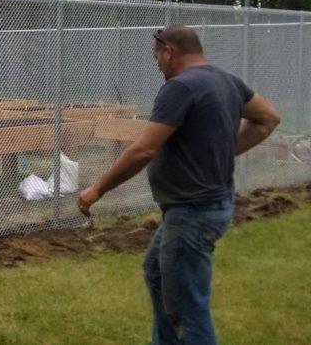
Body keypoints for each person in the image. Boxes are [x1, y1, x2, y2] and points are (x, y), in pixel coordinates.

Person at [77, 26, 280, 344]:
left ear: (169, 51)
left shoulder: (180, 87)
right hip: (207, 206)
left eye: (156, 54)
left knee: (189, 312)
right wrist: (224, 150)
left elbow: (143, 149)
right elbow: (268, 118)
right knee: (156, 272)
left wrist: (97, 189)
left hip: (193, 212)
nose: (156, 61)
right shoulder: (226, 81)